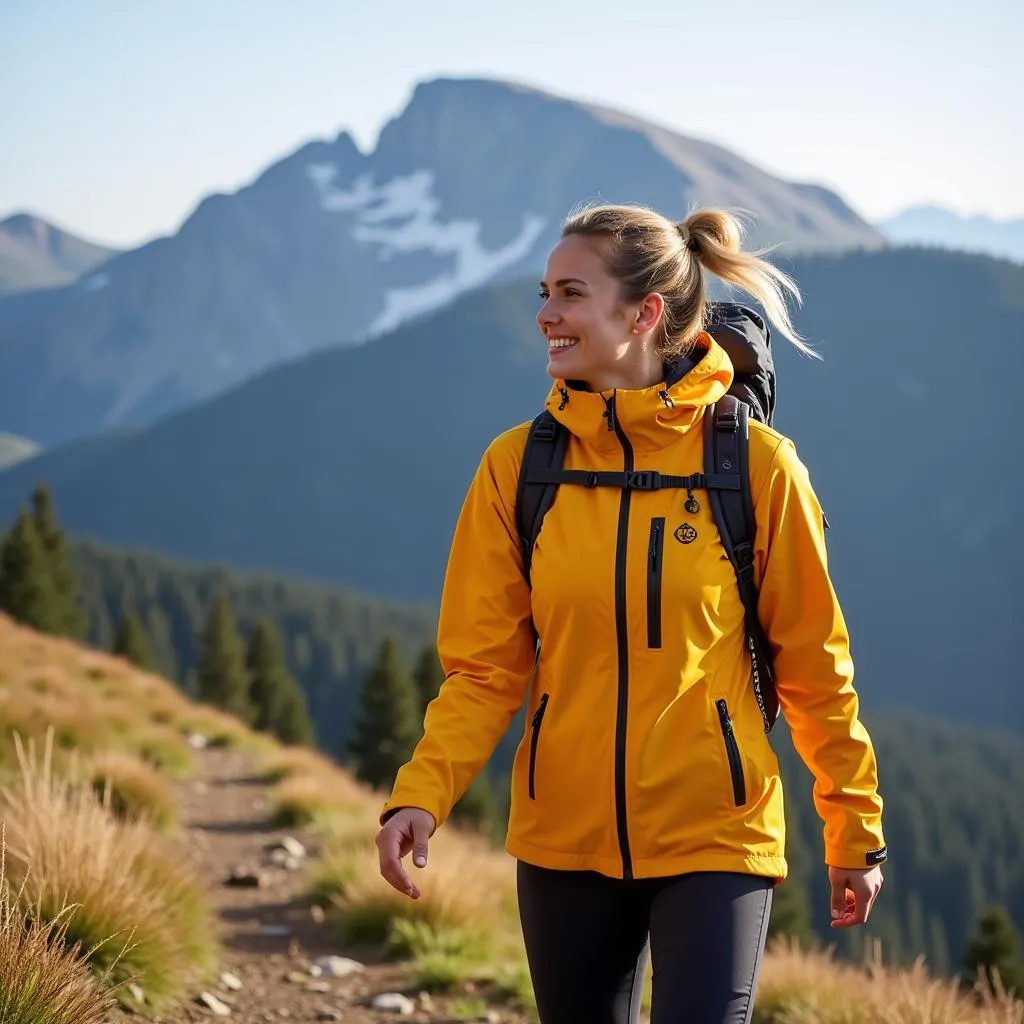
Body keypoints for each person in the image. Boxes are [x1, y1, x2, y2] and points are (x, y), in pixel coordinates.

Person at [375, 203, 886, 1024]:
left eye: (570, 292)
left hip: (717, 833)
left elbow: (816, 669)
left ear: (644, 312)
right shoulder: (517, 469)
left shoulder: (756, 468)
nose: (545, 312)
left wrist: (853, 829)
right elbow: (484, 670)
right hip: (561, 837)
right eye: (545, 290)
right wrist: (419, 796)